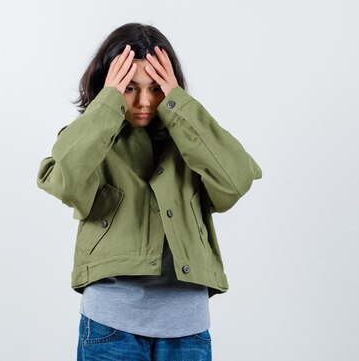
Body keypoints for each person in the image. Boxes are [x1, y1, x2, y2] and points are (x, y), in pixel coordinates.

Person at [36, 23, 262, 361]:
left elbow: (236, 181)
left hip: (187, 328)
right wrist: (108, 103)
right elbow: (64, 181)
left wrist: (180, 106)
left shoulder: (193, 140)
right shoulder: (92, 137)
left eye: (156, 88)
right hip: (110, 324)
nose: (144, 101)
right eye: (128, 87)